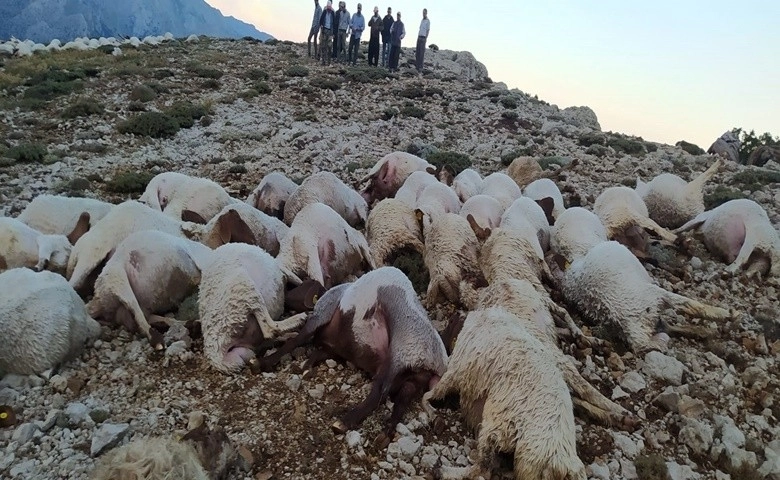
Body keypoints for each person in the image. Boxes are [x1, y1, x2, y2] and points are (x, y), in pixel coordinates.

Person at [319, 1, 336, 66]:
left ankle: (329, 62)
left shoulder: (333, 13)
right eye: (328, 8)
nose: (329, 9)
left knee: (329, 46)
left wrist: (333, 34)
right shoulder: (324, 12)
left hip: (330, 31)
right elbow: (321, 20)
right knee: (323, 46)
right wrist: (321, 25)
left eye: (330, 8)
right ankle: (323, 61)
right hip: (324, 30)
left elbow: (334, 24)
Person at [415, 8, 430, 73]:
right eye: (423, 13)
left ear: (426, 13)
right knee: (417, 52)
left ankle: (420, 67)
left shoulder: (428, 21)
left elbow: (428, 30)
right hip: (419, 36)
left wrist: (426, 38)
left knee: (421, 52)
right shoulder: (422, 20)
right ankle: (417, 66)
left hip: (423, 37)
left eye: (424, 13)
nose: (423, 14)